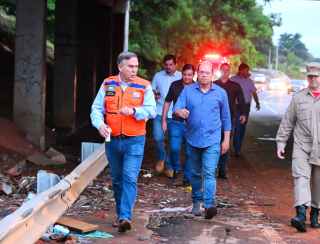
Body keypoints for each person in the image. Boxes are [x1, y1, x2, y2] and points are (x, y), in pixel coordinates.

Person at [90, 51, 156, 233]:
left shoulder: (144, 86)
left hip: (135, 140)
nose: (135, 69)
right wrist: (100, 125)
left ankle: (126, 216)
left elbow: (152, 111)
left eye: (136, 66)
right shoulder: (108, 83)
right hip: (112, 140)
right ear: (120, 67)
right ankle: (121, 215)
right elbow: (96, 108)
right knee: (117, 180)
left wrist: (135, 111)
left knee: (129, 177)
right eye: (131, 66)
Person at [174, 61, 231, 219]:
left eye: (207, 72)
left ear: (212, 75)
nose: (204, 75)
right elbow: (176, 108)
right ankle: (196, 203)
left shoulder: (220, 93)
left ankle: (209, 204)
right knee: (195, 173)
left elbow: (226, 118)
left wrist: (226, 140)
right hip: (192, 139)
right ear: (197, 74)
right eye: (201, 72)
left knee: (209, 171)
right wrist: (180, 112)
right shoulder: (188, 91)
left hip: (212, 139)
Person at [276, 64, 320, 232]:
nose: (313, 79)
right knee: (300, 177)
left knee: (318, 183)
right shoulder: (299, 98)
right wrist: (281, 142)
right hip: (302, 145)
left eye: (316, 76)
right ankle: (301, 214)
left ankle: (315, 215)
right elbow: (288, 121)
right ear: (307, 78)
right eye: (310, 76)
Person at [162, 64, 195, 183]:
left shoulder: (197, 87)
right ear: (182, 74)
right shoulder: (175, 85)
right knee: (174, 148)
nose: (187, 77)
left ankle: (187, 177)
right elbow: (167, 102)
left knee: (189, 152)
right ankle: (176, 168)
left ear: (193, 75)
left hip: (192, 125)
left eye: (190, 75)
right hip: (176, 122)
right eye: (185, 75)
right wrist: (164, 120)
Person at [152, 54, 182, 177]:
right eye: (166, 65)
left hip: (175, 115)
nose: (168, 67)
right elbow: (151, 91)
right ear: (163, 65)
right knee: (158, 137)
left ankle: (168, 166)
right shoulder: (158, 76)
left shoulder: (182, 76)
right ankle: (161, 158)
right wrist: (154, 94)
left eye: (171, 65)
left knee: (172, 142)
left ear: (175, 64)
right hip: (159, 112)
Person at [215, 63, 246, 179]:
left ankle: (222, 169)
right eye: (223, 70)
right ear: (220, 71)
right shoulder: (214, 85)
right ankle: (213, 167)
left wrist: (243, 114)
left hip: (229, 118)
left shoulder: (235, 86)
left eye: (227, 70)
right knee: (214, 142)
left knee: (225, 143)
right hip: (214, 118)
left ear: (230, 72)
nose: (225, 72)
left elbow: (241, 100)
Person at [231, 63, 260, 156]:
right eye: (246, 70)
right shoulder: (233, 80)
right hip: (236, 106)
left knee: (242, 127)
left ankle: (238, 146)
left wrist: (257, 103)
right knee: (238, 127)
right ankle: (237, 148)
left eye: (248, 70)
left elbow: (254, 93)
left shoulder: (249, 81)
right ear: (240, 70)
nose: (248, 72)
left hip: (246, 107)